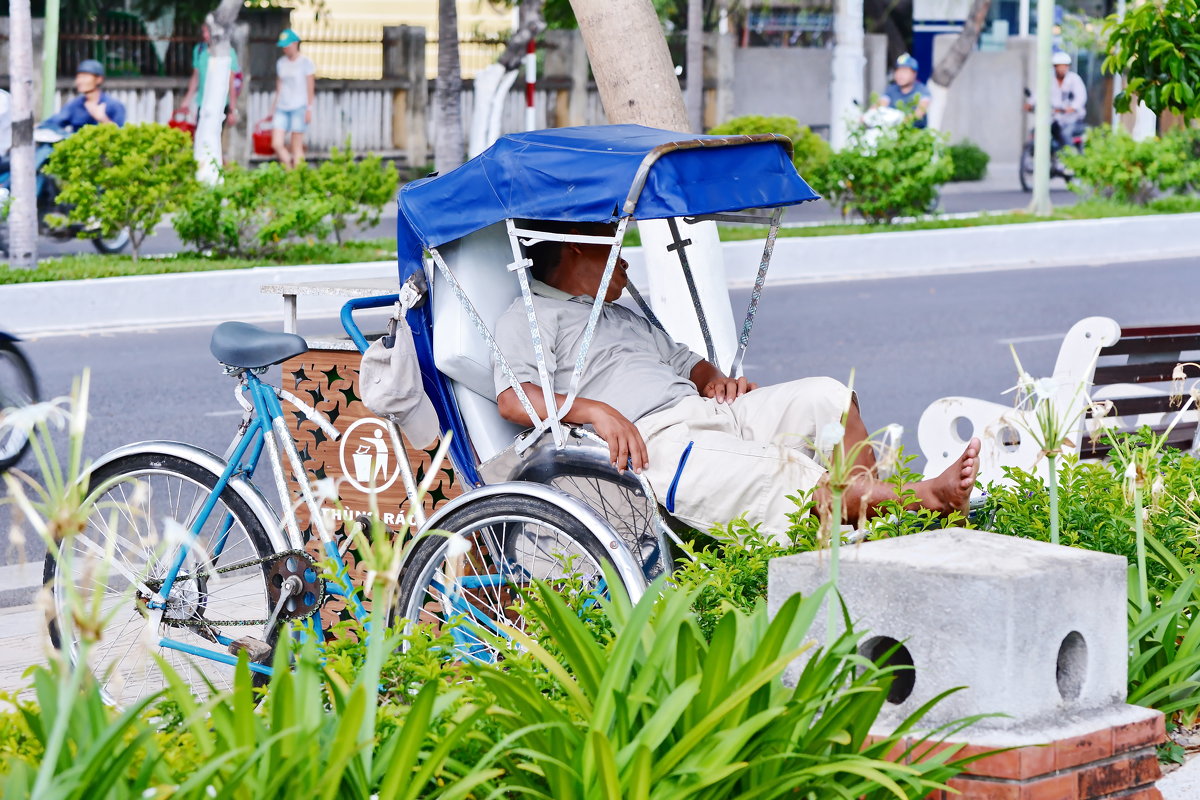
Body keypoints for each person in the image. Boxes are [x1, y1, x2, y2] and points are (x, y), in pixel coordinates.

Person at [490, 222, 980, 542]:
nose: (625, 262)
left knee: (828, 398)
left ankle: (868, 509)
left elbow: (687, 363)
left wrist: (714, 379)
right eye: (616, 249)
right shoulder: (531, 316)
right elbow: (514, 399)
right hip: (656, 443)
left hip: (716, 414)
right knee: (786, 474)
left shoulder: (622, 317)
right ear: (578, 242)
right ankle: (926, 500)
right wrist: (596, 409)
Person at [178, 23, 240, 129]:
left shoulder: (228, 52)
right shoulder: (199, 50)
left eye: (208, 32)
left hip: (221, 104)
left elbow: (231, 83)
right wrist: (186, 101)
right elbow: (196, 77)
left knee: (213, 139)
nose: (205, 35)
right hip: (203, 102)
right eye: (204, 31)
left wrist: (232, 110)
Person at [270, 28, 316, 169]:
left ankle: (297, 178)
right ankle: (290, 170)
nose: (285, 49)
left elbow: (310, 87)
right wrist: (273, 108)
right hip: (282, 107)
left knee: (296, 146)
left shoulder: (306, 63)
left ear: (295, 43)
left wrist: (309, 109)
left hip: (299, 107)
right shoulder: (281, 63)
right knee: (276, 144)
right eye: (283, 46)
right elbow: (279, 86)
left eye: (287, 45)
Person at [1025, 51, 1087, 151]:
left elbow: (1081, 98)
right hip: (1053, 118)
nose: (1063, 69)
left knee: (1065, 133)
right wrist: (1030, 103)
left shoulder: (1074, 79)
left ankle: (1070, 159)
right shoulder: (1048, 79)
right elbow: (1040, 93)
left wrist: (1071, 108)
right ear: (1055, 67)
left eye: (1065, 66)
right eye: (1060, 66)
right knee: (1039, 131)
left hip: (1072, 119)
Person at [42, 60, 126, 132]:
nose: (79, 81)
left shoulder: (114, 105)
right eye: (78, 77)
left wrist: (102, 118)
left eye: (85, 77)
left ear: (99, 79)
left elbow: (120, 136)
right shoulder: (75, 104)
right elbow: (54, 122)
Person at [877, 53, 931, 128]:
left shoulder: (922, 90)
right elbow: (880, 106)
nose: (900, 75)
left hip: (915, 133)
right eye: (898, 71)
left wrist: (902, 120)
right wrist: (868, 116)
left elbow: (920, 112)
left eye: (904, 71)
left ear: (914, 74)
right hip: (892, 132)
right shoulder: (891, 89)